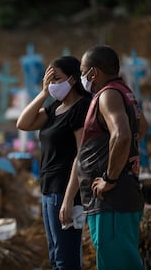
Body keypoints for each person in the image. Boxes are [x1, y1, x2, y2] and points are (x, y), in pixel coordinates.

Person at [60, 45, 149, 270]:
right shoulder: (122, 92)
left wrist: (110, 177)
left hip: (113, 201)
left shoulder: (108, 95)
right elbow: (142, 127)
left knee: (117, 263)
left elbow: (122, 135)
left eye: (82, 71)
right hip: (118, 198)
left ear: (93, 73)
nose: (81, 77)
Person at [17, 56, 91, 270]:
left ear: (73, 79)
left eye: (56, 78)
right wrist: (43, 93)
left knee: (66, 258)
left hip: (65, 190)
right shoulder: (55, 108)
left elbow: (81, 154)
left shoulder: (80, 107)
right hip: (48, 189)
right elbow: (23, 123)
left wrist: (69, 199)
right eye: (49, 79)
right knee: (55, 256)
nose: (52, 84)